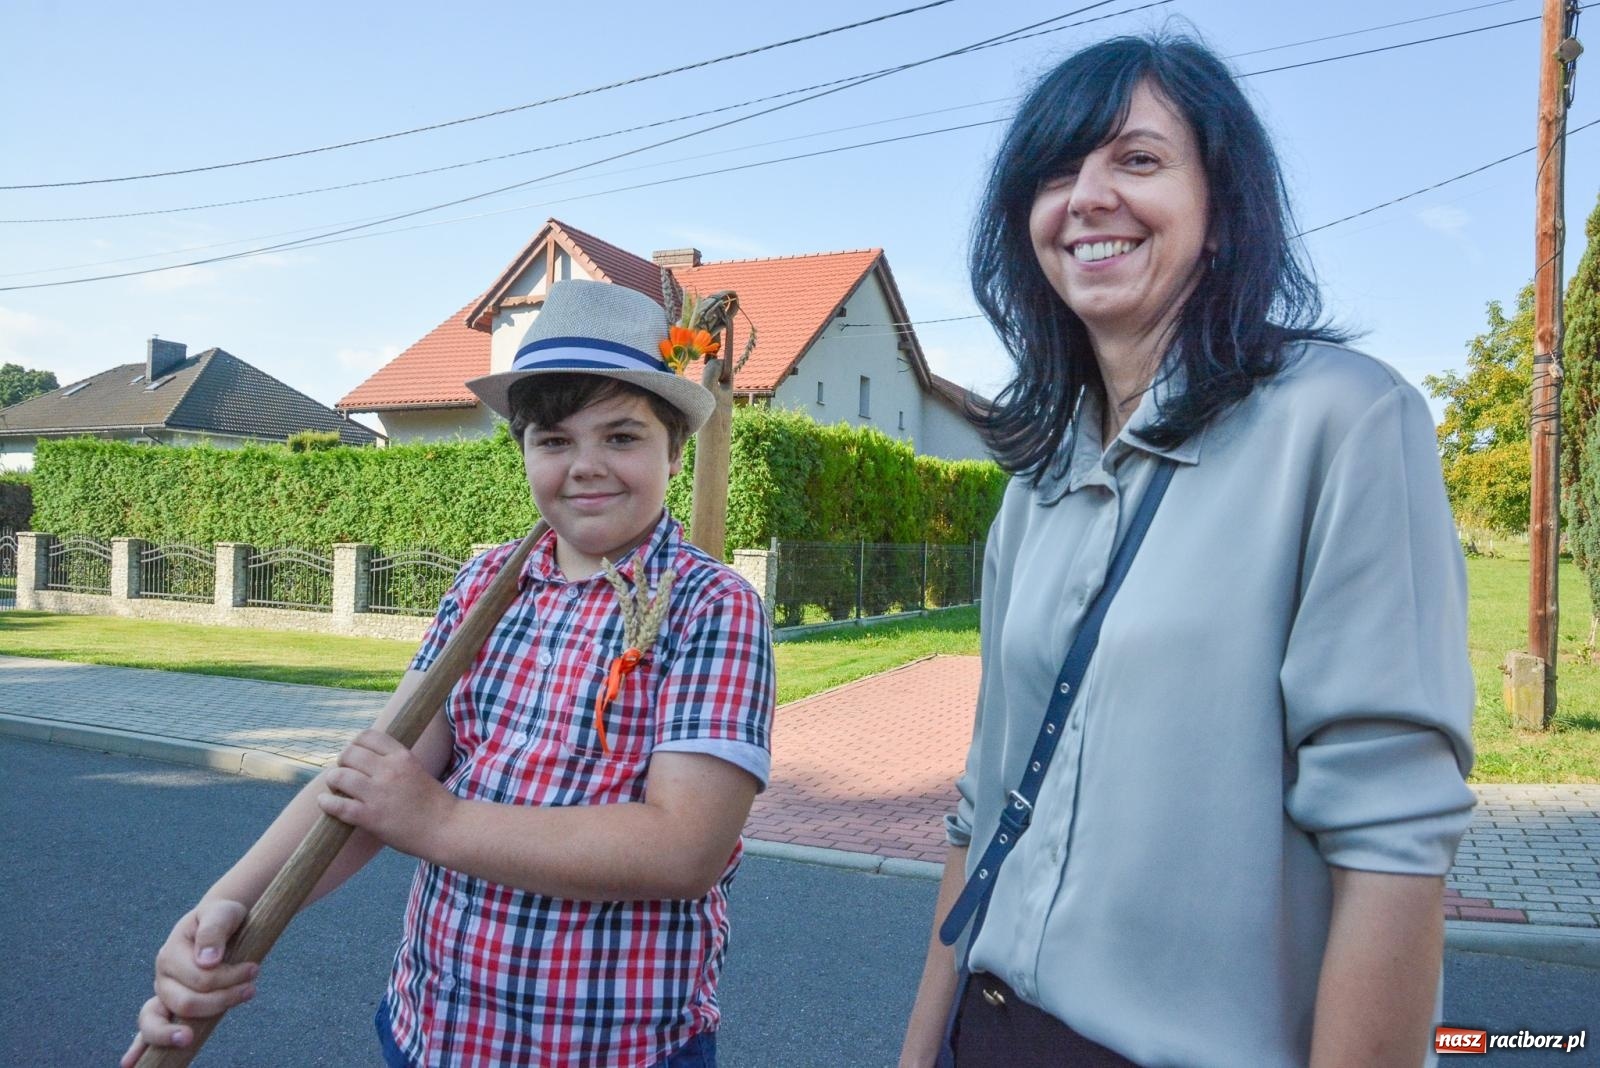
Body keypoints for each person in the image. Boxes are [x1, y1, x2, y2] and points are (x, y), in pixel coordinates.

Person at [899, 35, 1475, 1068]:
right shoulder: (1033, 483)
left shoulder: (1343, 421)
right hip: (983, 1031)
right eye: (1055, 172)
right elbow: (978, 812)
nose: (1085, 198)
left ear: (1223, 212)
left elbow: (1392, 845)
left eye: (1137, 160)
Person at [123, 279, 775, 1068]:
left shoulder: (714, 605)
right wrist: (226, 904)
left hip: (616, 1048)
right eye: (554, 440)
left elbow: (683, 850)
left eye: (622, 437)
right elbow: (371, 781)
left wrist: (433, 821)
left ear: (674, 449)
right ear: (525, 450)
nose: (586, 467)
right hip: (433, 1032)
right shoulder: (482, 586)